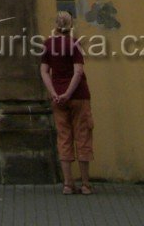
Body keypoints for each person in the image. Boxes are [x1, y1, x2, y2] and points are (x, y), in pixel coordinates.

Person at [40, 10, 94, 194]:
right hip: (78, 96)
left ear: (56, 24)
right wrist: (69, 93)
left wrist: (55, 93)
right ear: (71, 25)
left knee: (64, 137)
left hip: (58, 97)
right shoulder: (75, 44)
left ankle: (67, 184)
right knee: (83, 135)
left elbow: (44, 71)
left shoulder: (48, 44)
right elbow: (78, 72)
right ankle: (85, 184)